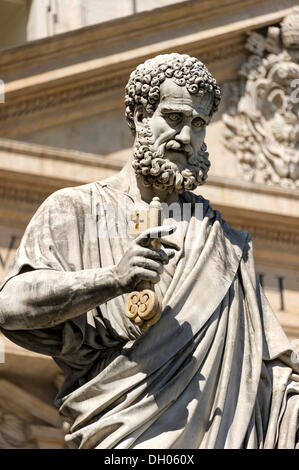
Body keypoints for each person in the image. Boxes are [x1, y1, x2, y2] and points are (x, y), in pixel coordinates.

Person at [0, 53, 298, 449]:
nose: (186, 137)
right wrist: (112, 279)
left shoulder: (225, 244)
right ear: (141, 116)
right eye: (174, 118)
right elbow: (10, 306)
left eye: (198, 124)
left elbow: (273, 373)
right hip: (122, 436)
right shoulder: (76, 207)